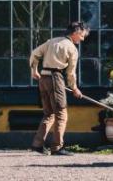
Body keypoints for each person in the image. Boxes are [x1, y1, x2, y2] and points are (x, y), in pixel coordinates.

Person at [29, 21, 90, 155]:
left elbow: (35, 53)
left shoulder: (52, 41)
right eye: (82, 36)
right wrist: (75, 88)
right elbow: (70, 73)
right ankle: (57, 147)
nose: (83, 39)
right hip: (55, 78)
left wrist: (34, 70)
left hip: (43, 78)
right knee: (61, 114)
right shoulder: (72, 49)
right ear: (76, 33)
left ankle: (37, 145)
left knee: (49, 113)